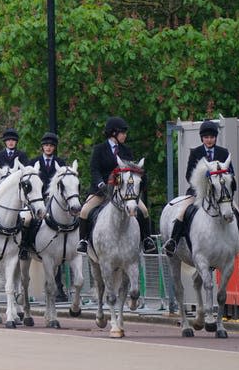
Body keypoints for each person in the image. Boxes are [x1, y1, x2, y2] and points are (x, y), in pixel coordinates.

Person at [162, 120, 239, 259]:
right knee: (182, 211)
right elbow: (189, 175)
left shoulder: (223, 153)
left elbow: (230, 172)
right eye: (206, 137)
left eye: (212, 137)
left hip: (220, 193)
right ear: (202, 138)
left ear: (215, 138)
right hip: (198, 192)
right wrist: (204, 180)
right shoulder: (196, 152)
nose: (209, 140)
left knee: (237, 212)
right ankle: (173, 241)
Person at [76, 117, 156, 254]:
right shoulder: (99, 149)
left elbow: (132, 171)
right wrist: (101, 183)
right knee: (84, 211)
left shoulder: (127, 150)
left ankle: (146, 239)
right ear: (114, 133)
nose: (125, 135)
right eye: (122, 133)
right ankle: (83, 241)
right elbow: (94, 169)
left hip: (124, 192)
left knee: (143, 211)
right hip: (102, 191)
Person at [26, 132, 68, 299]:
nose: (48, 147)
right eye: (46, 145)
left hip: (56, 204)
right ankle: (25, 246)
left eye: (51, 145)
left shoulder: (61, 163)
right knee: (27, 221)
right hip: (38, 202)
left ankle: (59, 286)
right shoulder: (33, 163)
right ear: (42, 147)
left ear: (54, 147)